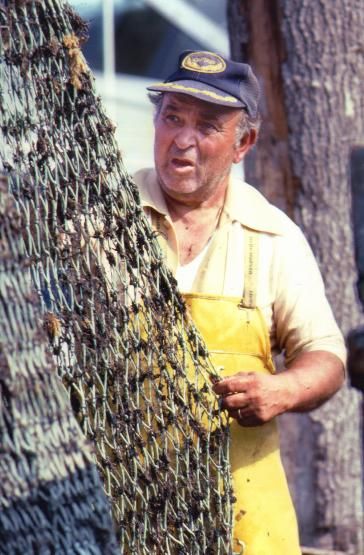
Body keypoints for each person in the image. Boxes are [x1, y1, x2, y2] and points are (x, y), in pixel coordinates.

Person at [133, 50, 346, 554]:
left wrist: (283, 389)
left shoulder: (273, 236)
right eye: (172, 118)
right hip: (124, 508)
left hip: (245, 519)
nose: (182, 140)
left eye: (207, 126)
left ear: (243, 143)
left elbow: (328, 358)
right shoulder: (104, 216)